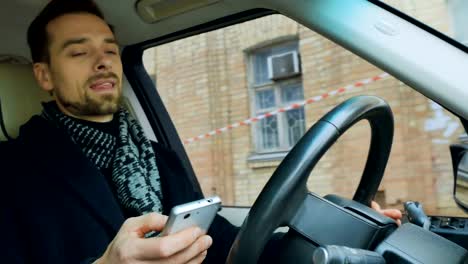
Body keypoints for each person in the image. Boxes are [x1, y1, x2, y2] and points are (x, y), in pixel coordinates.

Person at [0, 0, 402, 263]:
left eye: (109, 49)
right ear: (45, 75)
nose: (103, 61)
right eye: (79, 52)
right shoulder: (11, 172)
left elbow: (230, 245)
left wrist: (341, 240)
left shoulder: (158, 157)